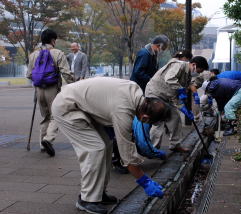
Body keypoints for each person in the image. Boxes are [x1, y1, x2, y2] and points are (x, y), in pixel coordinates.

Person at [51, 77, 170, 214]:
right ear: (145, 118)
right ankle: (86, 199)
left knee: (106, 145)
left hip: (80, 105)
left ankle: (98, 193)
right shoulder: (123, 111)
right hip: (67, 108)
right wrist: (145, 181)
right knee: (94, 149)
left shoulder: (135, 90)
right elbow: (127, 157)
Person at [145, 56, 209, 152]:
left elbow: (175, 96)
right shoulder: (179, 65)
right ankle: (152, 149)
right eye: (199, 71)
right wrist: (180, 89)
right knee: (159, 121)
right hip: (155, 93)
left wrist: (184, 109)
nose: (198, 73)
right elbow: (169, 79)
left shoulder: (187, 75)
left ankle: (175, 145)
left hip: (167, 96)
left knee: (175, 118)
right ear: (194, 65)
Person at [26, 29, 74, 157]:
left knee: (45, 116)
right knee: (56, 116)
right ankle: (48, 139)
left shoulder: (33, 55)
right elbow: (66, 73)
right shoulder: (58, 53)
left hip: (38, 90)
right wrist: (74, 84)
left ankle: (42, 144)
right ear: (53, 40)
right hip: (52, 89)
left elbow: (29, 74)